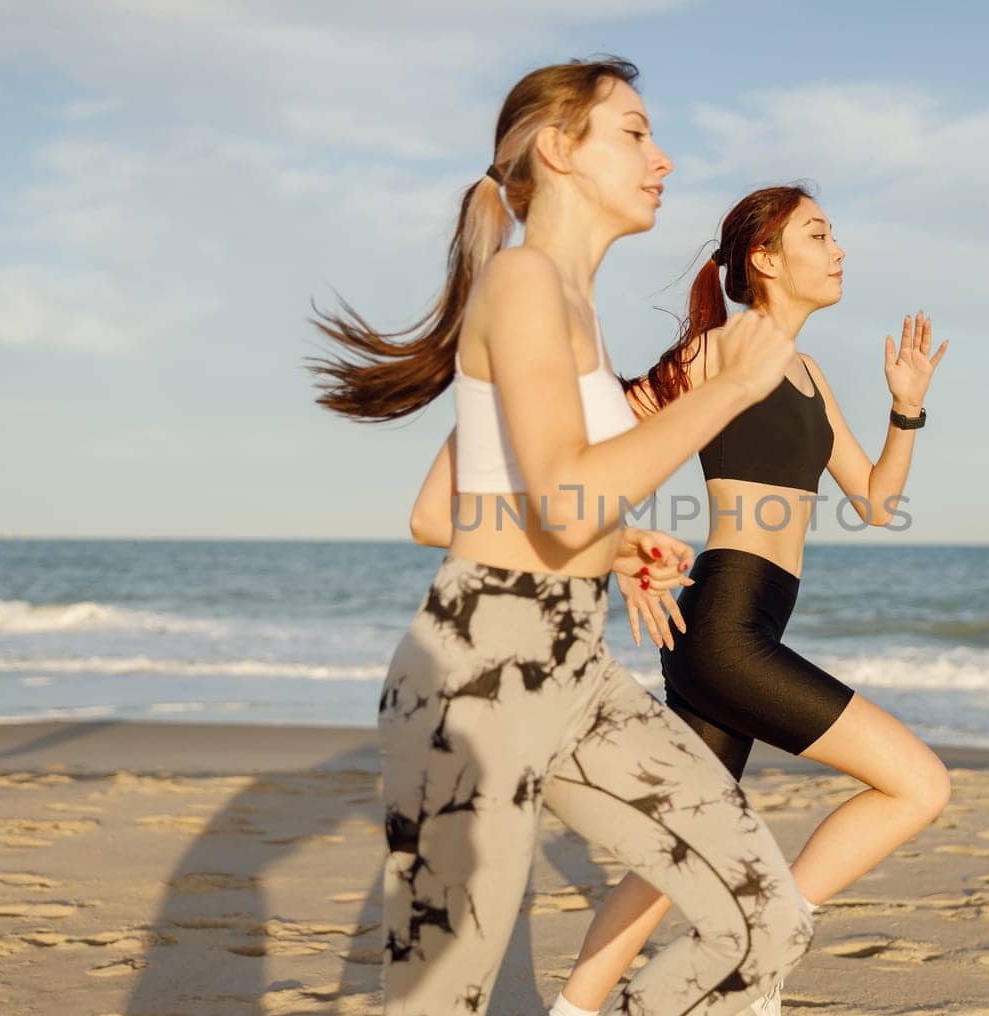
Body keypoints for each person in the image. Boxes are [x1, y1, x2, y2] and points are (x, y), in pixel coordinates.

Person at [309, 60, 815, 1015]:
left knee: (765, 919)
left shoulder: (566, 304)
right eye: (634, 132)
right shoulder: (522, 281)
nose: (662, 158)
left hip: (576, 663)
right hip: (477, 669)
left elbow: (441, 511)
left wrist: (612, 549)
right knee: (438, 1000)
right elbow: (570, 498)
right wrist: (727, 391)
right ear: (559, 147)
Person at [558, 185, 953, 1013]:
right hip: (726, 620)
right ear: (766, 259)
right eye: (819, 233)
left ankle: (574, 1010)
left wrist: (906, 411)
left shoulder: (806, 374)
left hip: (750, 616)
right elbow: (594, 455)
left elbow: (876, 500)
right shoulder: (714, 356)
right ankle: (760, 957)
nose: (838, 248)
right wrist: (625, 548)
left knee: (676, 849)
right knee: (918, 784)